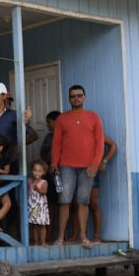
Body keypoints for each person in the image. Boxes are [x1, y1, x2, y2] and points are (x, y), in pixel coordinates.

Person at [50, 84, 104, 248]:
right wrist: (54, 163)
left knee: (83, 201)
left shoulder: (94, 117)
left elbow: (99, 143)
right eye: (73, 96)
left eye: (79, 95)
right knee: (64, 200)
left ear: (84, 97)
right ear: (69, 98)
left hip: (88, 167)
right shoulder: (62, 119)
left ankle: (82, 236)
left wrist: (95, 163)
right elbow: (57, 143)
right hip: (66, 165)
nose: (76, 98)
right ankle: (60, 237)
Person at [83, 133, 117, 243]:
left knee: (93, 204)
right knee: (76, 204)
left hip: (92, 171)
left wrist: (104, 161)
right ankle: (77, 235)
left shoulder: (95, 133)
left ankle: (97, 236)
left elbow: (113, 145)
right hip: (75, 170)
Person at [40, 110, 61, 238]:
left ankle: (56, 233)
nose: (47, 125)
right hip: (47, 173)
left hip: (58, 173)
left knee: (59, 203)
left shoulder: (63, 136)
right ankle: (48, 233)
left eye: (49, 122)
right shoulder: (49, 137)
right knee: (49, 204)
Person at [28, 159, 50, 245]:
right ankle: (36, 241)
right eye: (35, 170)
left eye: (39, 171)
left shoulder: (43, 182)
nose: (37, 173)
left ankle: (43, 241)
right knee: (34, 224)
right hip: (32, 206)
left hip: (40, 206)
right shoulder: (30, 181)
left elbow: (44, 192)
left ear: (43, 172)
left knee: (42, 225)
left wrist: (38, 189)